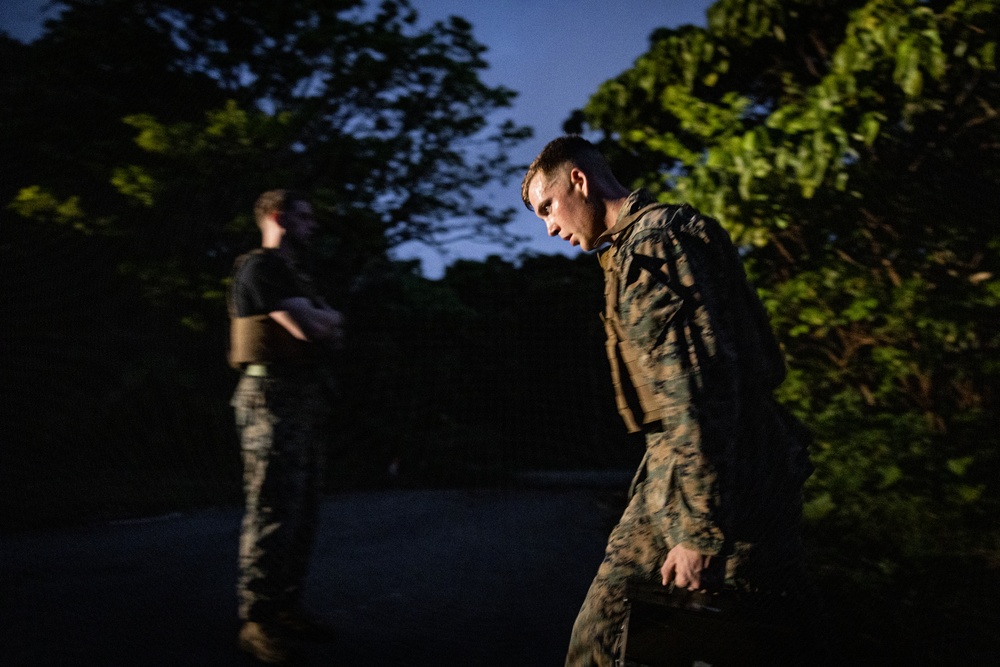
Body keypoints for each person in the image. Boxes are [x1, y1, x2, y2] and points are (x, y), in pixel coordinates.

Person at [521, 136, 815, 666]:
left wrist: (699, 529)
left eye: (548, 208)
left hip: (725, 478)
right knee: (618, 640)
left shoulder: (654, 248)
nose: (549, 228)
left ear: (579, 181)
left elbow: (695, 392)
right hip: (686, 471)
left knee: (629, 643)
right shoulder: (654, 240)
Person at [227, 189, 345, 664]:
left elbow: (327, 324)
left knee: (301, 511)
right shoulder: (264, 268)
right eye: (304, 216)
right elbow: (313, 329)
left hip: (297, 400)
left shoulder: (291, 273)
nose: (313, 225)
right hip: (269, 399)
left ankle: (285, 609)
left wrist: (326, 319)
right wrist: (326, 319)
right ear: (279, 218)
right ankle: (258, 621)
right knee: (274, 510)